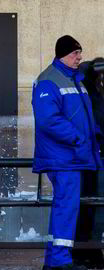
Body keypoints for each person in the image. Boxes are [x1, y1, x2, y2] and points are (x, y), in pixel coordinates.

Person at [32, 35, 102, 270]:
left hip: (72, 156)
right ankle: (60, 261)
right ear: (63, 54)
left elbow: (84, 116)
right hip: (63, 157)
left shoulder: (74, 79)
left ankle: (55, 259)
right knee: (66, 207)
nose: (79, 57)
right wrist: (78, 137)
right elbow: (47, 120)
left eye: (79, 53)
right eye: (75, 53)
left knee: (66, 207)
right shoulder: (49, 80)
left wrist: (94, 135)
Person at [72, 57, 104, 269]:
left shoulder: (95, 94)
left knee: (93, 208)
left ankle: (90, 251)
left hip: (94, 156)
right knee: (89, 207)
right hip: (90, 157)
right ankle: (86, 252)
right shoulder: (87, 92)